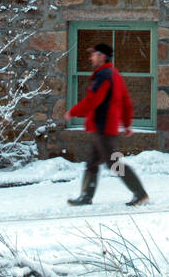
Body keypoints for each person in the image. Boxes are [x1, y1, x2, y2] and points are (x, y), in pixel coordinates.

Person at [64, 41, 150, 206]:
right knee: (92, 163)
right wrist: (126, 124)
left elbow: (93, 100)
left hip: (103, 127)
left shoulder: (103, 75)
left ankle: (140, 193)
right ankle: (86, 197)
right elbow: (126, 101)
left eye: (93, 54)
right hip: (103, 127)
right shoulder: (114, 74)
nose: (90, 58)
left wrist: (73, 112)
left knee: (114, 163)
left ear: (102, 57)